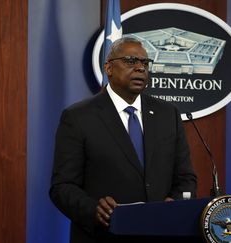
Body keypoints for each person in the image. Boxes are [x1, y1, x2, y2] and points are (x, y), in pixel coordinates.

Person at [49, 37, 197, 243]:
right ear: (108, 68)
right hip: (104, 235)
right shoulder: (79, 117)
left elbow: (185, 178)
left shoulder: (167, 114)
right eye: (130, 61)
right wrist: (94, 209)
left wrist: (177, 202)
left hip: (162, 233)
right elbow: (62, 186)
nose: (140, 68)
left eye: (145, 63)